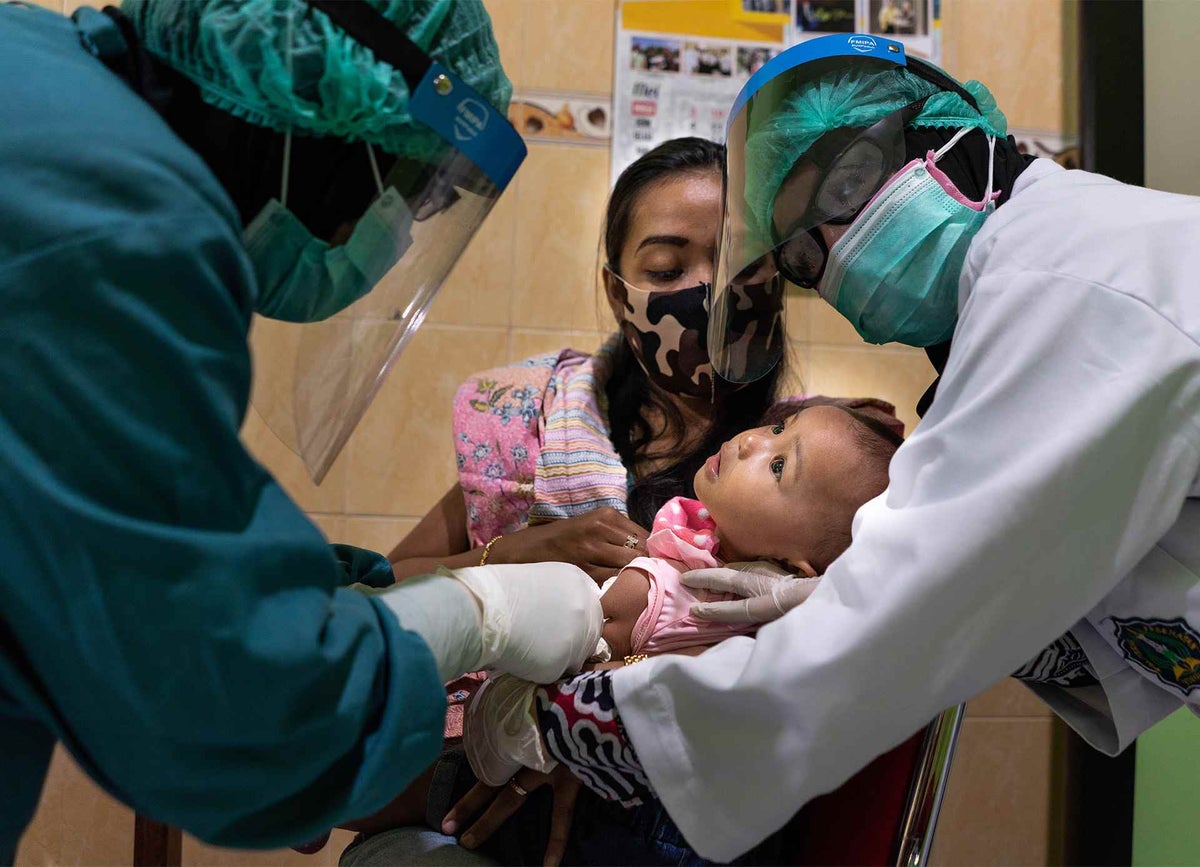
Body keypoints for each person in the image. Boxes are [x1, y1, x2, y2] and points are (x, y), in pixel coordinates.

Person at [452, 32, 1200, 863]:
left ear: (950, 135)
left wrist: (553, 718)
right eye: (804, 251)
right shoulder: (1017, 314)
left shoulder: (1065, 289)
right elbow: (1081, 615)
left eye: (843, 192)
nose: (835, 257)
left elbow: (891, 631)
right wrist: (825, 601)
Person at [0, 1, 605, 861]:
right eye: (410, 190)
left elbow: (116, 545)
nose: (387, 232)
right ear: (325, 98)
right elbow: (235, 719)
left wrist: (338, 597)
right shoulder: (116, 227)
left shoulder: (40, 80)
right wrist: (482, 615)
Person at [345, 402, 902, 866]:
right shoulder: (696, 533)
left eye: (778, 466)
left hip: (577, 805)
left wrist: (585, 718)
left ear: (796, 570)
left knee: (366, 783)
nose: (752, 441)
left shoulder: (747, 624)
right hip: (487, 728)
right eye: (777, 426)